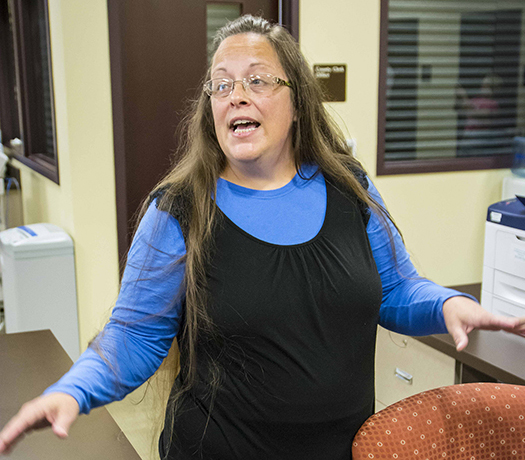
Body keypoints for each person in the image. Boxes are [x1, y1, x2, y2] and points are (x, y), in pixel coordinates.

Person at [1, 15, 524, 460]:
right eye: (221, 84)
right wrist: (75, 390)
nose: (235, 96)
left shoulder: (350, 187)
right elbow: (135, 334)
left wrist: (449, 304)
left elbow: (396, 289)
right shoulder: (179, 208)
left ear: (297, 101)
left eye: (256, 80)